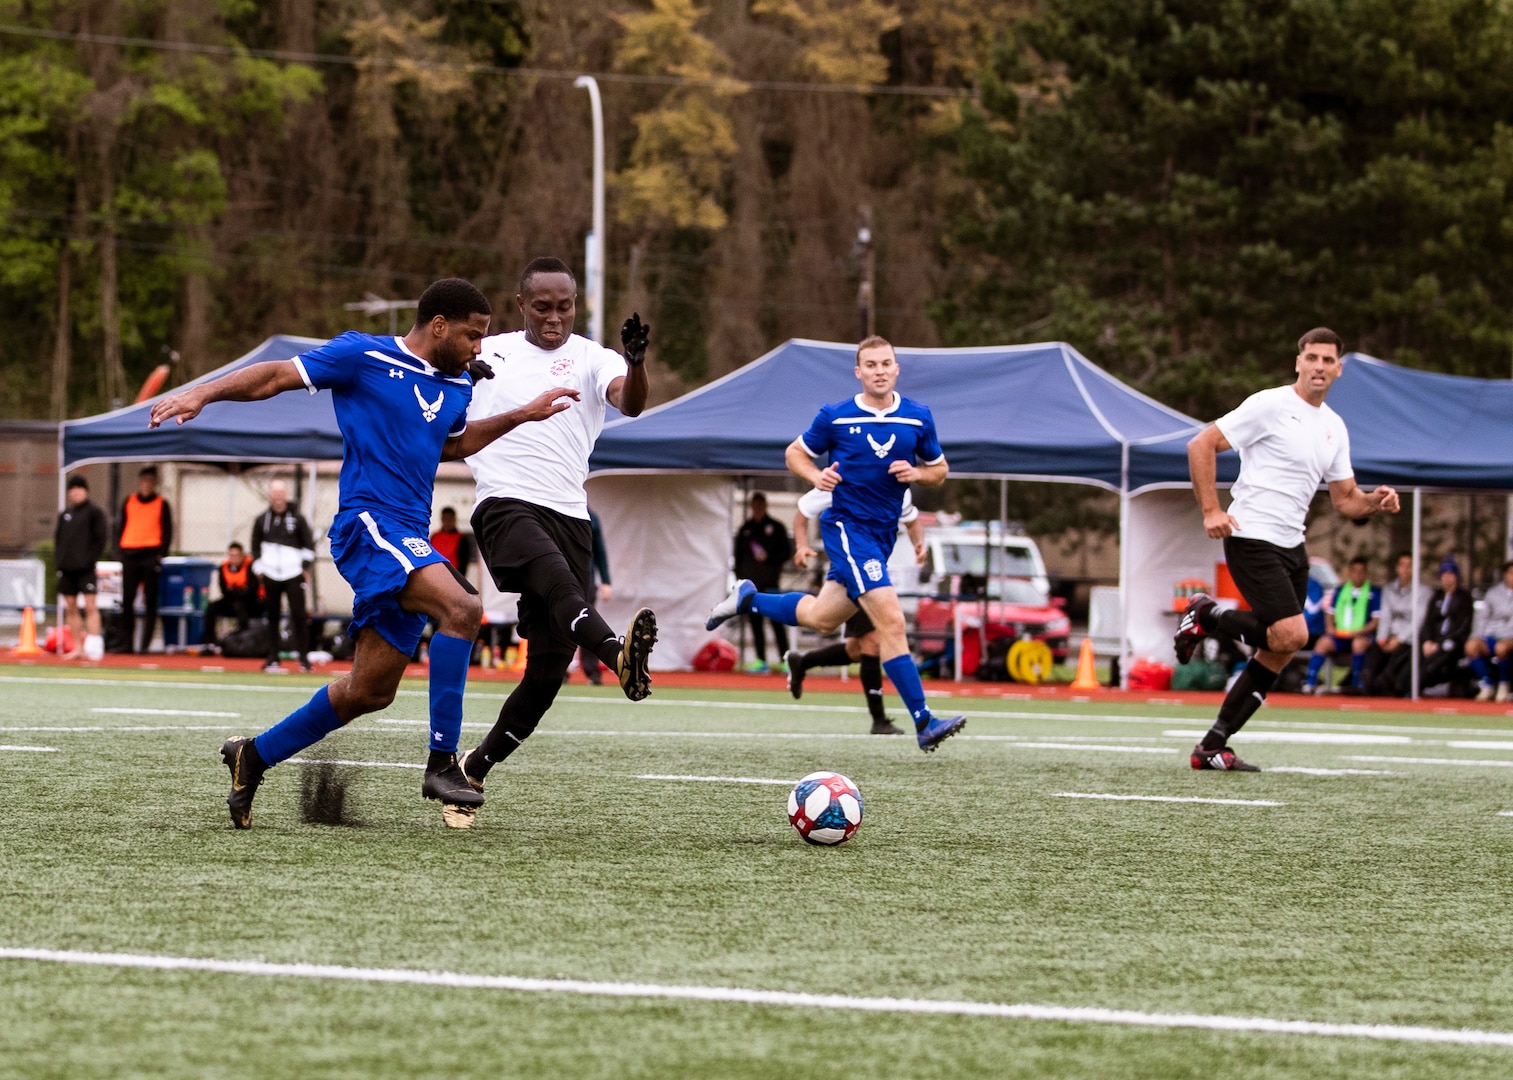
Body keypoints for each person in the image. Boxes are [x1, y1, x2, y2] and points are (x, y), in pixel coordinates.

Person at [150, 277, 578, 829]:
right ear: (439, 326)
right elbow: (278, 374)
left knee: (369, 691)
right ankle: (444, 764)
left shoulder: (457, 386)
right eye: (473, 336)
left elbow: (450, 443)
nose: (480, 348)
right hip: (368, 525)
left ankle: (251, 756)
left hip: (409, 536)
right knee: (464, 609)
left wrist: (521, 414)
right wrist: (202, 392)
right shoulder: (364, 354)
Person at [448, 257, 658, 830]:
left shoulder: (595, 357)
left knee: (545, 673)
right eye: (543, 306)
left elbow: (630, 401)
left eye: (564, 306)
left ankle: (473, 768)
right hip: (505, 503)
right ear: (521, 305)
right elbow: (440, 407)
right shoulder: (488, 352)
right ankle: (617, 653)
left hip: (571, 515)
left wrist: (637, 363)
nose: (554, 317)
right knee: (561, 585)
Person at [706, 334, 967, 753]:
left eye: (886, 364)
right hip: (848, 528)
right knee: (892, 623)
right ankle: (924, 721)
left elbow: (939, 470)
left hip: (881, 537)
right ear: (859, 372)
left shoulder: (918, 418)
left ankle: (748, 599)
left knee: (824, 618)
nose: (879, 371)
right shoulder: (836, 416)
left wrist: (918, 475)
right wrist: (815, 476)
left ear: (896, 369)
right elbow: (795, 453)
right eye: (871, 365)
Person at [1176, 328, 1400, 770]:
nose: (1319, 366)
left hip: (1292, 546)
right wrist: (1210, 510)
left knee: (1279, 650)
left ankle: (1211, 746)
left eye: (1328, 360)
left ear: (1338, 369)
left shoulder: (1334, 427)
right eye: (1311, 357)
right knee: (1294, 634)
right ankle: (1205, 614)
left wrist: (1375, 501)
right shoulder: (1270, 405)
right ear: (1298, 362)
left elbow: (1344, 500)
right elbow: (1200, 444)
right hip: (1251, 535)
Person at [783, 485, 925, 735]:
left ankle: (802, 662)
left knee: (856, 650)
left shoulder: (897, 485)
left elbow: (912, 520)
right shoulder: (846, 477)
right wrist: (801, 546)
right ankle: (879, 719)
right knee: (871, 642)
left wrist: (919, 544)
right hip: (852, 570)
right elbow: (803, 510)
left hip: (872, 571)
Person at [252, 479, 315, 673]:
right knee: (272, 616)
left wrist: (304, 567)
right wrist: (260, 569)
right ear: (270, 496)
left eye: (281, 494)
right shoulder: (262, 520)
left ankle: (304, 657)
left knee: (298, 615)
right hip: (270, 573)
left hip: (293, 573)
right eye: (275, 494)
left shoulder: (298, 519)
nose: (278, 498)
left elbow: (309, 545)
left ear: (285, 495)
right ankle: (273, 657)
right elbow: (255, 546)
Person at [116, 465, 174, 653]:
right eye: (144, 481)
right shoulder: (129, 501)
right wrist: (119, 552)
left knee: (150, 601)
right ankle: (128, 643)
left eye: (150, 481)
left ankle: (145, 645)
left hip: (150, 555)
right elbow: (120, 526)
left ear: (154, 483)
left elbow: (167, 530)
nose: (146, 485)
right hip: (130, 555)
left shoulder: (161, 503)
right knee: (127, 600)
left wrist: (161, 554)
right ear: (139, 482)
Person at [733, 492, 792, 673]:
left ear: (765, 506)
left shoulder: (776, 528)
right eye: (754, 506)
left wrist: (769, 557)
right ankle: (761, 660)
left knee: (777, 621)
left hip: (771, 583)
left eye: (760, 506)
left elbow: (786, 553)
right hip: (752, 587)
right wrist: (740, 581)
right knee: (755, 623)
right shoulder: (746, 530)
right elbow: (738, 557)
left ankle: (785, 660)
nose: (757, 510)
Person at [1302, 555, 1378, 693]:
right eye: (1354, 571)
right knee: (1323, 643)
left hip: (1360, 635)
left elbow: (1375, 620)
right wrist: (1330, 628)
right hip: (1340, 634)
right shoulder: (1340, 591)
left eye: (1361, 571)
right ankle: (1310, 681)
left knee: (1358, 644)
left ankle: (1356, 682)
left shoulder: (1373, 593)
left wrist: (1360, 631)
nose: (1357, 575)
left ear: (1366, 574)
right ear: (1349, 572)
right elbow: (1330, 613)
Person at [53, 474, 109, 661]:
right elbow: (58, 540)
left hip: (85, 569)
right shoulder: (65, 514)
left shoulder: (94, 512)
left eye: (79, 488)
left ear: (85, 490)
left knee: (91, 606)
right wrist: (60, 561)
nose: (76, 492)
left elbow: (100, 539)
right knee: (71, 607)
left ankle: (93, 646)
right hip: (67, 569)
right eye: (73, 488)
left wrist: (89, 560)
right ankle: (77, 647)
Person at [1362, 551, 1431, 696]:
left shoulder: (1423, 592)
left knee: (1401, 654)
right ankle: (1365, 681)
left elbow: (1418, 620)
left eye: (1409, 566)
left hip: (1409, 638)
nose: (1405, 569)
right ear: (1397, 568)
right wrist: (1382, 638)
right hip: (1391, 635)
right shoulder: (1389, 589)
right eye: (1402, 565)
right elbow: (1385, 616)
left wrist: (1399, 639)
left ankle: (1386, 682)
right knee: (1375, 650)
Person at [1418, 556, 1474, 693]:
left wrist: (1441, 642)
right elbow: (1428, 621)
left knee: (1443, 654)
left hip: (1452, 641)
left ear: (1456, 576)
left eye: (1450, 574)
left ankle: (1431, 684)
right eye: (1444, 574)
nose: (1447, 578)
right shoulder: (1436, 596)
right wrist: (1427, 640)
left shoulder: (1464, 598)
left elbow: (1463, 626)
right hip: (1434, 641)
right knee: (1418, 653)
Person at [575, 508, 612, 685]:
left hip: (586, 581)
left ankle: (592, 672)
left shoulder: (590, 517)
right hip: (560, 579)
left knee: (586, 625)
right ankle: (559, 671)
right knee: (558, 625)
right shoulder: (552, 509)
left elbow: (600, 552)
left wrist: (606, 581)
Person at [200, 542, 257, 655]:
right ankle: (209, 642)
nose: (234, 559)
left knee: (240, 607)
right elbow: (224, 590)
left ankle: (242, 641)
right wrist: (240, 590)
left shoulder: (251, 566)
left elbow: (252, 589)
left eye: (236, 555)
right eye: (231, 555)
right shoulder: (223, 567)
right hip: (231, 600)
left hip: (249, 602)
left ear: (242, 555)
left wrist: (235, 591)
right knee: (212, 607)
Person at [1468, 560, 1513, 701]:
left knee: (1501, 648)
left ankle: (1504, 684)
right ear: (1505, 575)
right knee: (1471, 646)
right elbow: (1482, 618)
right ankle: (1487, 684)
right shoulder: (1493, 593)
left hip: (1510, 637)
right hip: (1492, 635)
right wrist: (1477, 636)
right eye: (1511, 573)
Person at [429, 507, 474, 578]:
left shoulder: (461, 538)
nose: (447, 522)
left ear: (454, 519)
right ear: (442, 519)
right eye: (445, 519)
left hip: (453, 576)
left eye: (450, 519)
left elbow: (464, 562)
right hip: (435, 575)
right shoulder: (435, 536)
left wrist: (460, 578)